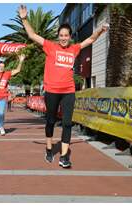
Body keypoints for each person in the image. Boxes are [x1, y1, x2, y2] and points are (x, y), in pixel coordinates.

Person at [19, 4, 109, 168]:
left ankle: (64, 156)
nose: (63, 38)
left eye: (66, 35)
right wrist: (24, 19)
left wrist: (100, 30)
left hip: (68, 91)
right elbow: (32, 35)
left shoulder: (74, 49)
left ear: (69, 36)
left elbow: (90, 39)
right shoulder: (50, 46)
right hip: (52, 91)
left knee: (67, 123)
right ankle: (48, 149)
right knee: (51, 121)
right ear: (58, 36)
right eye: (61, 35)